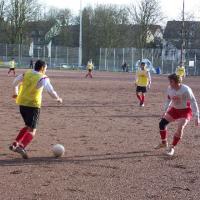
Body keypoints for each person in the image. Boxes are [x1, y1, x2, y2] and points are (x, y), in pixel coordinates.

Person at [9, 60, 62, 159]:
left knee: (27, 126)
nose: (46, 70)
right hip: (33, 105)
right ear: (42, 68)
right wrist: (58, 98)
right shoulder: (43, 78)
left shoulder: (27, 73)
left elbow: (15, 82)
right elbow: (50, 91)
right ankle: (22, 146)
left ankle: (15, 143)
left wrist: (16, 93)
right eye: (46, 68)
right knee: (32, 130)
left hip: (22, 104)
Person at [155, 74, 199, 156]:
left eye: (171, 81)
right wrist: (165, 111)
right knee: (162, 123)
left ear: (177, 82)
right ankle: (164, 143)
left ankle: (172, 147)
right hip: (174, 109)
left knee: (180, 127)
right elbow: (168, 100)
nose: (169, 83)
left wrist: (197, 116)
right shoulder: (169, 89)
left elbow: (193, 102)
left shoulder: (186, 90)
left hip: (186, 111)